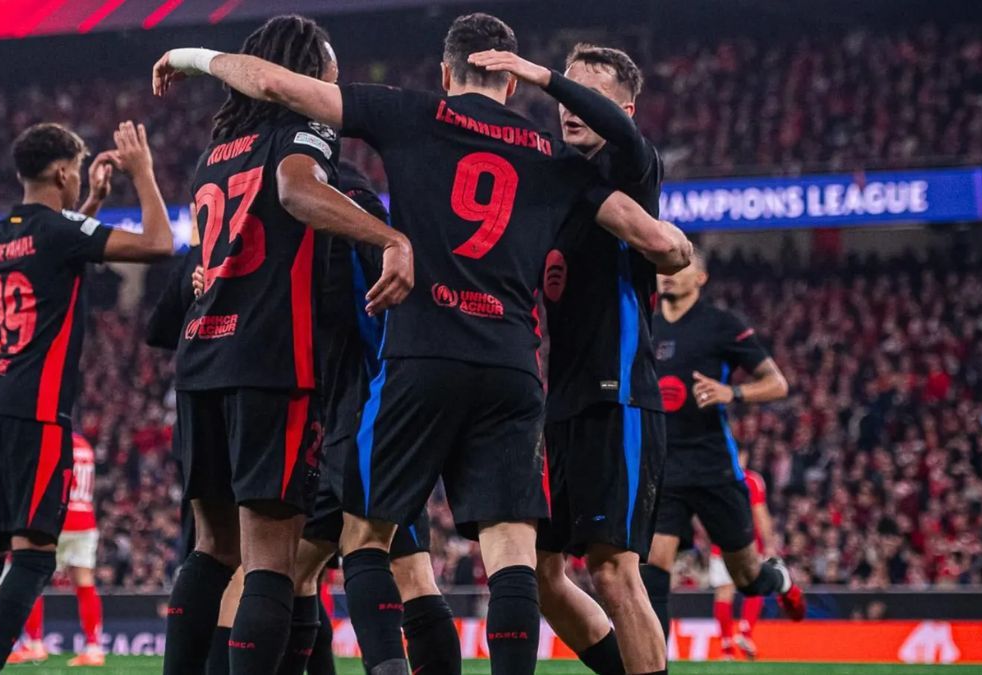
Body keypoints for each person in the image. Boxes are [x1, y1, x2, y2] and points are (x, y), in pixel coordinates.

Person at [154, 12, 689, 675]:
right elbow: (664, 245)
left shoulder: (409, 113)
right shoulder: (552, 159)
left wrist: (190, 53)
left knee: (362, 539)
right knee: (514, 556)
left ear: (445, 73)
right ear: (513, 85)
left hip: (417, 359)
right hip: (513, 371)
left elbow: (272, 83)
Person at [153, 15, 414, 675]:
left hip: (201, 359)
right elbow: (296, 190)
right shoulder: (305, 131)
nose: (333, 80)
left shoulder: (216, 152)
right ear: (299, 71)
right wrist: (387, 238)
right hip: (269, 362)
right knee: (272, 558)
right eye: (326, 66)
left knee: (211, 548)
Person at [0, 120, 173, 675]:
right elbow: (160, 244)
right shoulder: (58, 230)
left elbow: (56, 244)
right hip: (35, 409)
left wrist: (92, 200)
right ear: (64, 172)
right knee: (35, 553)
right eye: (79, 171)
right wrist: (143, 174)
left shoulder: (2, 231)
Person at [467, 44, 669, 675]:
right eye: (564, 98)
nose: (568, 108)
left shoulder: (630, 172)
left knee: (614, 571)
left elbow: (620, 136)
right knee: (542, 572)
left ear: (625, 110)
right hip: (558, 405)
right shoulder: (557, 191)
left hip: (620, 398)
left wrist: (544, 77)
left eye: (588, 95)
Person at [649, 253, 805, 639]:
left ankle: (779, 580)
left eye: (678, 269)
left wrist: (731, 391)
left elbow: (777, 383)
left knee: (747, 576)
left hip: (712, 465)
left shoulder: (721, 325)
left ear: (700, 277)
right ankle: (650, 662)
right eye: (662, 269)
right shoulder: (644, 326)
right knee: (652, 567)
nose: (667, 276)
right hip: (664, 466)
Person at [7, 433, 106, 667]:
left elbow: (56, 480)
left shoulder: (54, 441)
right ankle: (93, 648)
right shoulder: (84, 446)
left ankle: (35, 644)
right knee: (84, 582)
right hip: (85, 519)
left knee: (32, 576)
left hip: (58, 520)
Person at [708, 451, 773, 660]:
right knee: (755, 587)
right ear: (744, 456)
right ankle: (745, 632)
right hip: (749, 544)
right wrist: (770, 543)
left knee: (723, 593)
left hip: (720, 543)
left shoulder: (715, 478)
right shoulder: (752, 480)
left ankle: (726, 648)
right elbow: (760, 513)